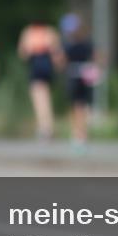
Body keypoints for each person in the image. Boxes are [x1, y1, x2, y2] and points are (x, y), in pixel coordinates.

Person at [17, 21, 65, 140]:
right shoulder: (50, 32)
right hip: (47, 67)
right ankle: (48, 126)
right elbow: (57, 54)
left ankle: (44, 128)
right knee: (46, 97)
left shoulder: (28, 32)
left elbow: (23, 53)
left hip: (36, 66)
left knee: (39, 98)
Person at [63, 18, 98, 150]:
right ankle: (83, 133)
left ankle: (77, 133)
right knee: (84, 105)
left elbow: (62, 60)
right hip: (86, 75)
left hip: (74, 75)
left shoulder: (70, 45)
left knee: (75, 106)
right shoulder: (88, 43)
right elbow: (96, 57)